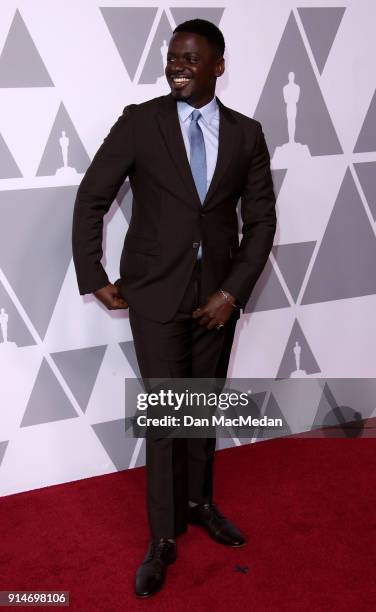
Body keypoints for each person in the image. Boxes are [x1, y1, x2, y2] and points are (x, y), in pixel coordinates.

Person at [72, 18, 276, 598]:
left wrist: (231, 292)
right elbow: (93, 197)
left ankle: (198, 503)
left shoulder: (246, 134)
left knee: (201, 408)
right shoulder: (141, 123)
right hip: (155, 294)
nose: (177, 66)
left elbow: (261, 223)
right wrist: (96, 275)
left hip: (218, 299)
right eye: (172, 58)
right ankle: (162, 539)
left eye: (190, 57)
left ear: (218, 64)